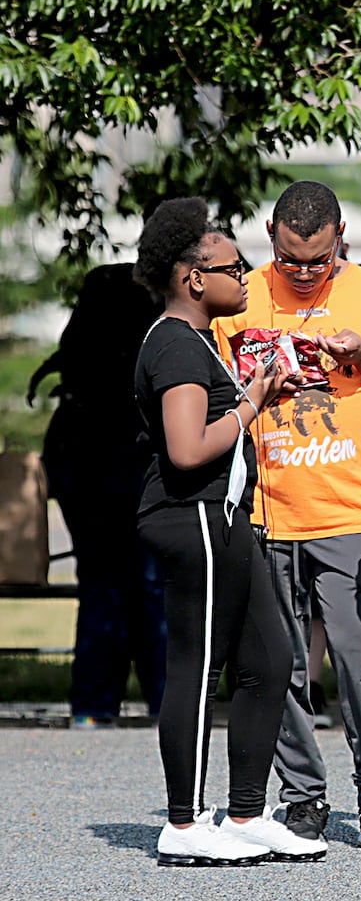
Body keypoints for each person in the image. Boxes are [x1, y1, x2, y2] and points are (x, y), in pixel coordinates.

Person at [215, 180, 361, 850]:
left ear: (343, 237)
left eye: (319, 260)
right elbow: (213, 402)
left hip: (356, 506)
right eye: (290, 259)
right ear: (271, 235)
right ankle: (302, 800)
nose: (304, 273)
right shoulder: (241, 298)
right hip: (268, 511)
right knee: (278, 667)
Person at [132, 198, 323, 865]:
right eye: (232, 266)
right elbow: (187, 450)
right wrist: (253, 401)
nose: (245, 276)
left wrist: (258, 392)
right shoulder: (176, 343)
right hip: (193, 516)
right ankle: (182, 824)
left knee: (269, 660)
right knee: (196, 666)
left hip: (227, 516)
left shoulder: (199, 343)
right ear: (192, 277)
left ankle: (244, 813)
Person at [29, 255, 166, 728]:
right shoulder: (150, 335)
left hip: (82, 468)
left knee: (101, 585)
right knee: (150, 587)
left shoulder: (86, 346)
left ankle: (93, 703)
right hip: (131, 466)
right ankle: (164, 702)